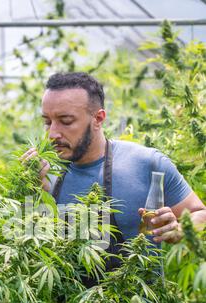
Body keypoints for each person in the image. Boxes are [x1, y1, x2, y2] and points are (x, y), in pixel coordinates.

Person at [21, 72, 206, 272]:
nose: (52, 133)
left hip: (139, 302)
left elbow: (200, 214)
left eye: (65, 121)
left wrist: (179, 230)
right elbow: (26, 254)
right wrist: (32, 194)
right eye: (47, 122)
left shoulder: (146, 163)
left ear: (98, 119)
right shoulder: (40, 171)